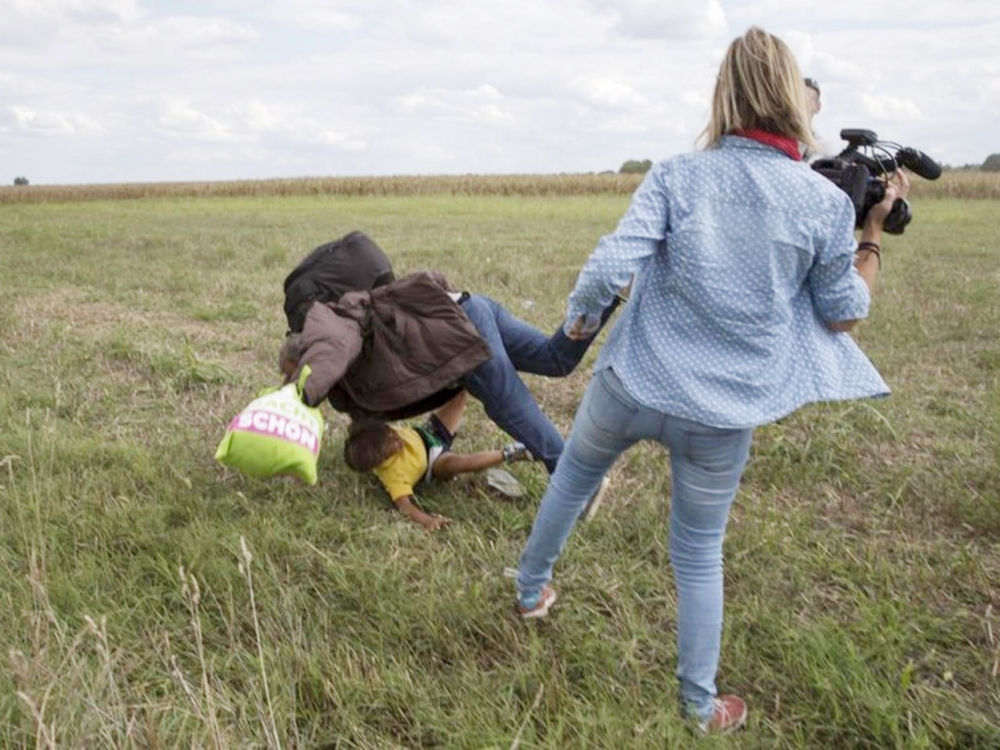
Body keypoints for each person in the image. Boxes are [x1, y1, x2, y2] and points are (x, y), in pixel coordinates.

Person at [511, 26, 910, 734]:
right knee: (697, 552)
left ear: (724, 94)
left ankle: (529, 591)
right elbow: (845, 313)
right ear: (796, 100)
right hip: (722, 414)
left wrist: (577, 326)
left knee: (572, 479)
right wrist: (870, 231)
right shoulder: (823, 204)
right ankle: (699, 705)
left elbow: (608, 268)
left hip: (632, 382)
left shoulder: (676, 174)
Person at [281, 267, 622, 477]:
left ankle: (576, 479)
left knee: (507, 403)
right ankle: (604, 294)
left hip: (456, 333)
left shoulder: (331, 335)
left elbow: (329, 355)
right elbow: (366, 426)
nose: (291, 381)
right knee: (554, 359)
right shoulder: (349, 388)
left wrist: (296, 396)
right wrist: (295, 458)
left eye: (293, 373)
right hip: (467, 308)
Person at [342, 390, 533, 531]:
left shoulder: (378, 435)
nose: (395, 435)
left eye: (390, 431)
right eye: (391, 441)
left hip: (430, 433)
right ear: (382, 458)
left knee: (459, 394)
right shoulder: (394, 476)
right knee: (457, 464)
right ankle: (512, 453)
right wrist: (427, 520)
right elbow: (405, 507)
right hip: (434, 462)